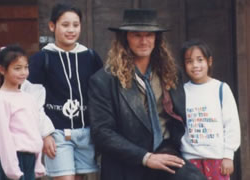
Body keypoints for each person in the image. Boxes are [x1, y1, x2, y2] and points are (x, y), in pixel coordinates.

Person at [88, 9, 207, 180]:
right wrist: (146, 157)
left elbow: (177, 119)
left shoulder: (171, 74)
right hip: (125, 161)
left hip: (165, 152)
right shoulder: (103, 80)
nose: (144, 41)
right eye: (137, 35)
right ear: (125, 38)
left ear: (156, 38)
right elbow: (102, 133)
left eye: (149, 35)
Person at [27, 3, 103, 180]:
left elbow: (101, 96)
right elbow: (32, 101)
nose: (71, 30)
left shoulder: (90, 57)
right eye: (65, 25)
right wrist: (45, 134)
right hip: (57, 133)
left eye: (76, 25)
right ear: (52, 26)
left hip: (87, 133)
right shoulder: (41, 59)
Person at [180, 39, 241, 180]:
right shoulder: (182, 91)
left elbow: (231, 124)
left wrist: (228, 155)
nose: (195, 65)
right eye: (189, 61)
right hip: (189, 160)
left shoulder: (220, 89)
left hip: (217, 160)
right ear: (184, 64)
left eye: (200, 60)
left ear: (209, 61)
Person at [0, 45, 45, 180]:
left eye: (26, 67)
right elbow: (3, 138)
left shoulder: (27, 97)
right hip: (12, 160)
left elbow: (34, 131)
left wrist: (38, 163)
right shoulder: (1, 100)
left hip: (29, 158)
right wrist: (13, 171)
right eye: (17, 68)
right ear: (2, 69)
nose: (23, 72)